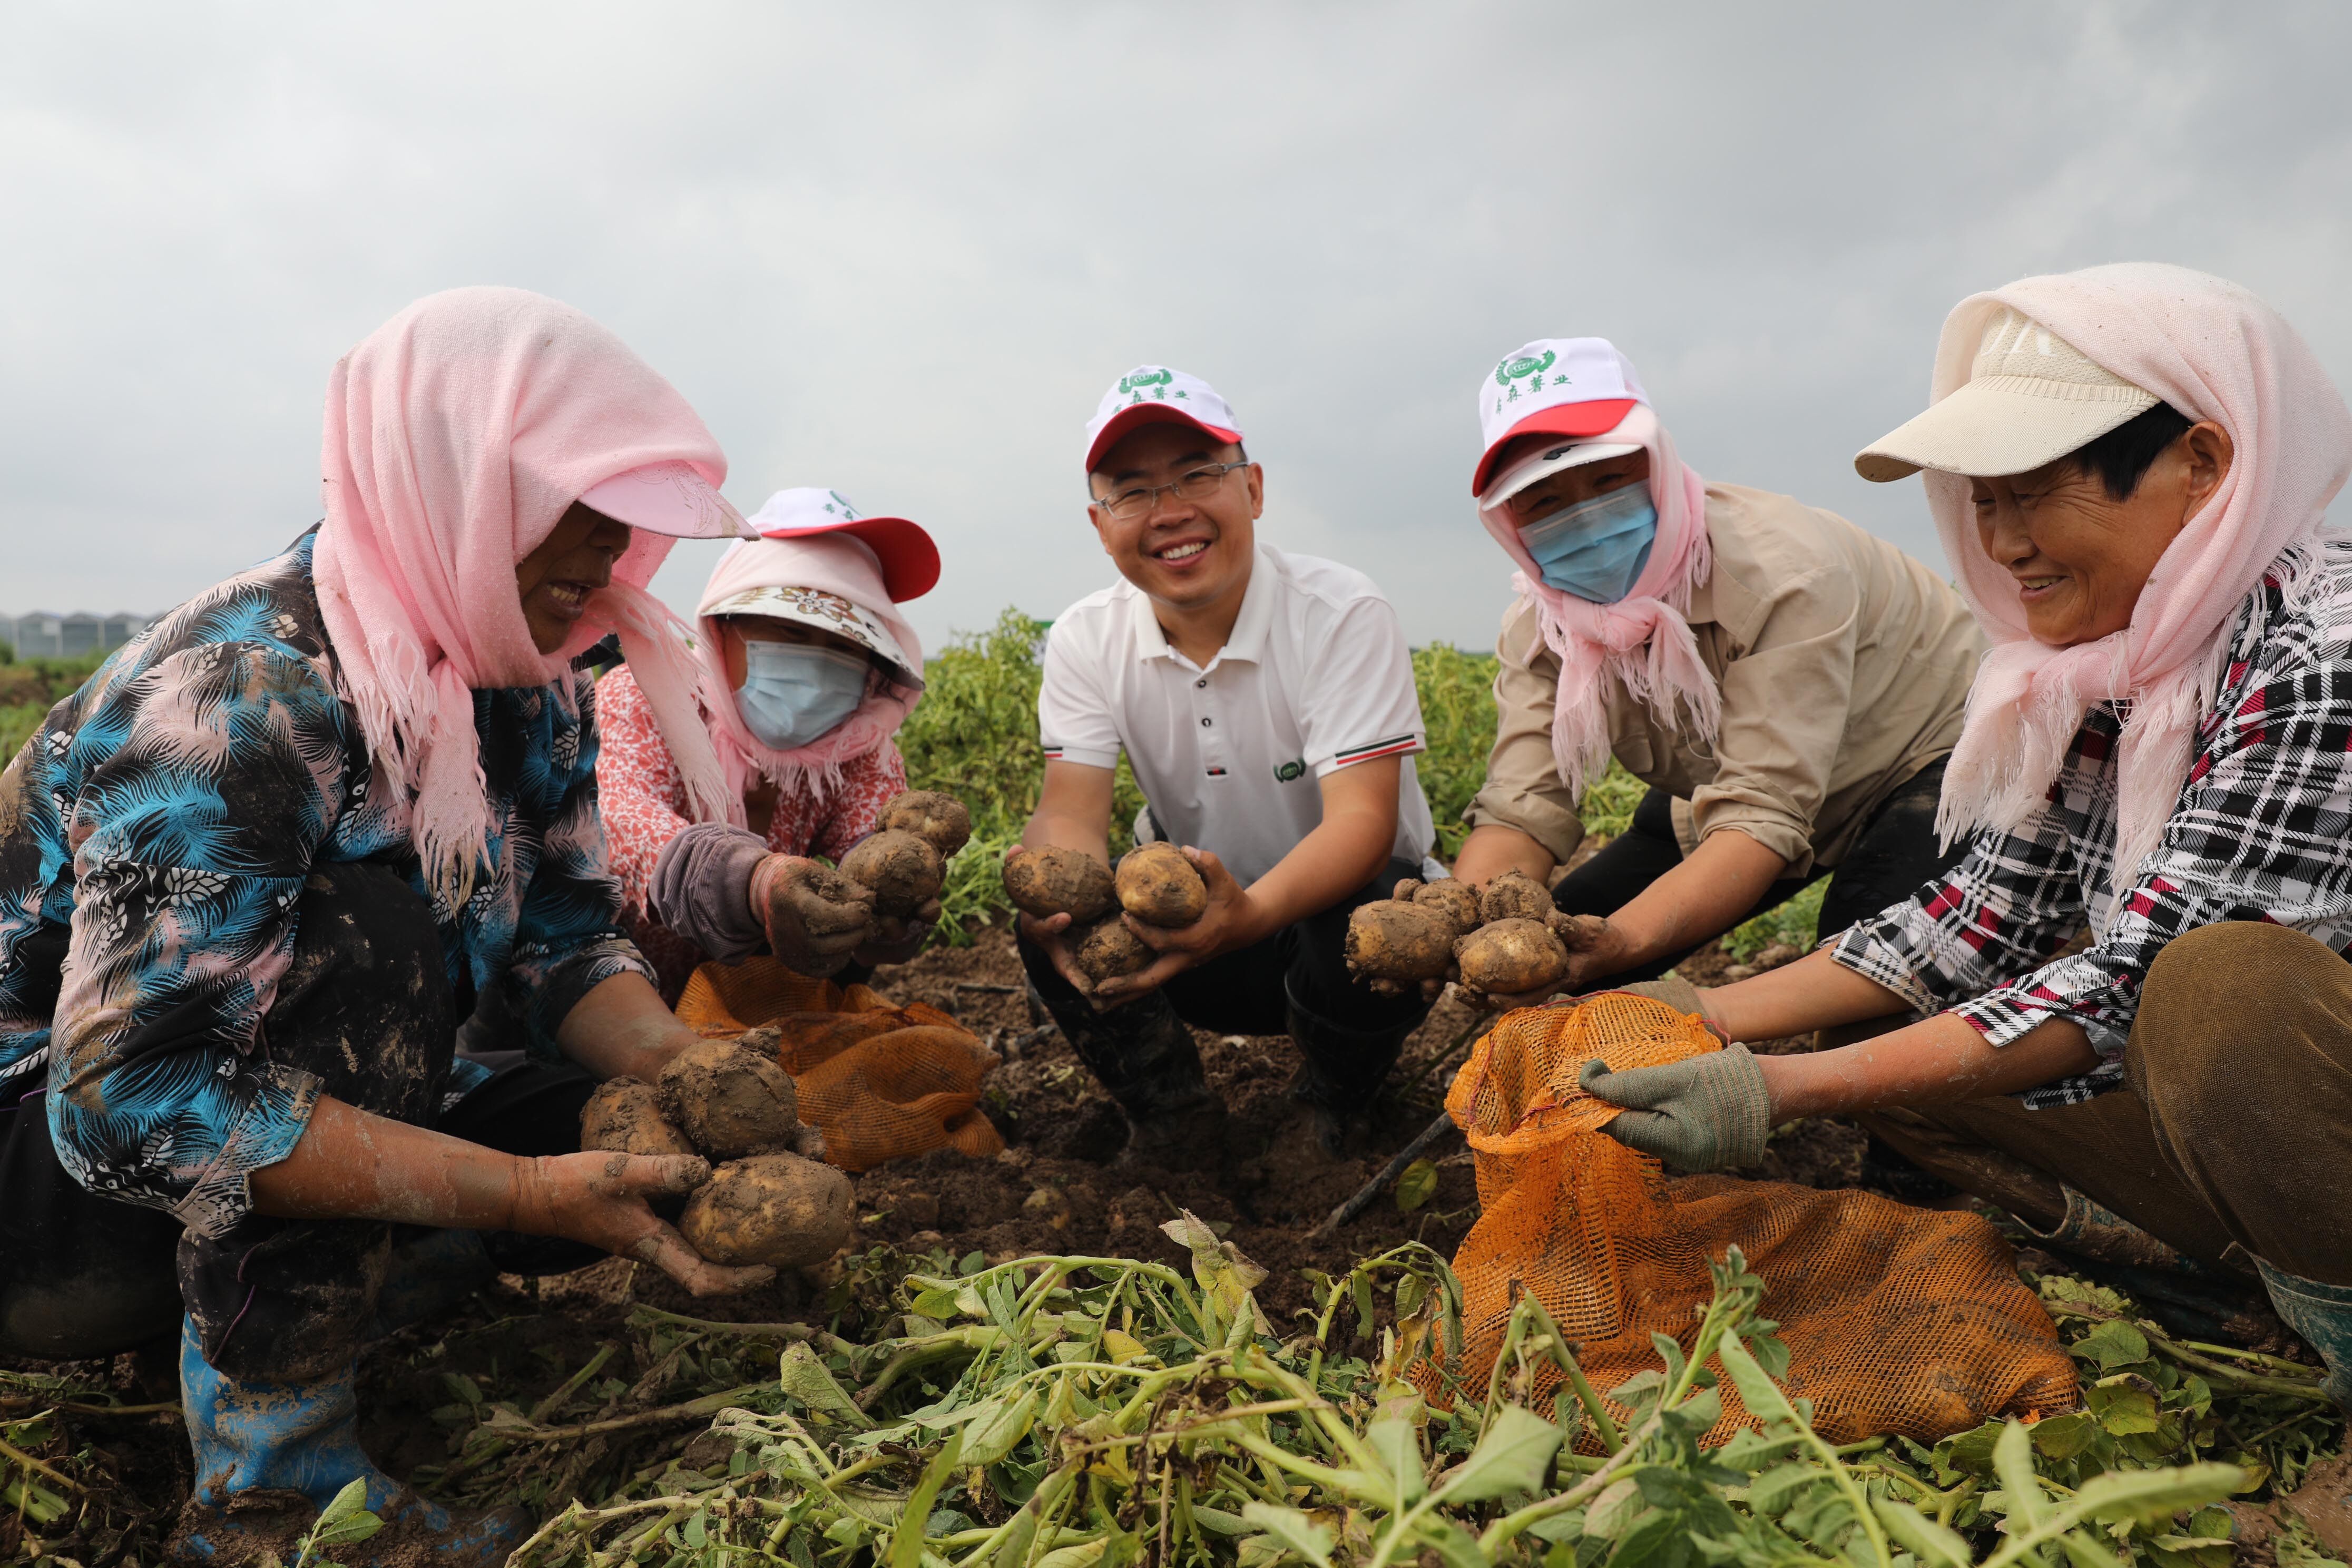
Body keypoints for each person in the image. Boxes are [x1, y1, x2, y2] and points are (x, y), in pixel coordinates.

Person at [0, 287, 778, 1561]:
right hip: (41, 1163)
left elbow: (564, 944)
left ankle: (240, 1321)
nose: (602, 552)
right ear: (452, 482)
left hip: (208, 1133)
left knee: (626, 1135)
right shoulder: (239, 700)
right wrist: (524, 1196)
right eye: (561, 507)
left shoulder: (526, 672)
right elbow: (132, 1098)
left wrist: (683, 1067)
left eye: (615, 515)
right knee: (373, 941)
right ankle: (277, 1495)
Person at [1570, 265, 2352, 1406]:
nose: (2005, 543)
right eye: (1983, 502)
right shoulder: (2107, 663)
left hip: (2299, 1087)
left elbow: (2127, 987)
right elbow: (1980, 917)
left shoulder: (2320, 655)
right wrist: (1708, 1018)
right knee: (1916, 1065)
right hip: (2275, 1139)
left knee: (2218, 991)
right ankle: (2259, 1279)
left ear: (2203, 464)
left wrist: (1780, 1092)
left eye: (2034, 493)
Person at [1447, 338, 1990, 1002]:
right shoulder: (1543, 631)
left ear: (1656, 464)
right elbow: (1523, 809)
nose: (1585, 516)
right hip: (1743, 783)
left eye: (1608, 477)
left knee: (1868, 976)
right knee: (1573, 935)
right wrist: (1462, 927)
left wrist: (1624, 942)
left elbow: (1762, 814)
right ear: (1508, 520)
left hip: (1927, 760)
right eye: (1543, 500)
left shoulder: (1781, 571)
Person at [1008, 366, 1437, 1162]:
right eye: (1133, 492)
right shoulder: (1085, 637)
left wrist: (1250, 914)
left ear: (1254, 490)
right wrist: (1048, 884)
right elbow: (1070, 809)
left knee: (1376, 913)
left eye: (1198, 476)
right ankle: (1171, 1116)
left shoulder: (1341, 613)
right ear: (1102, 527)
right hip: (1189, 934)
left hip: (1334, 939)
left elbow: (1364, 824)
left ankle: (1335, 1101)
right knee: (1052, 919)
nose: (1170, 513)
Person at [599, 488, 939, 1002]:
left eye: (846, 648)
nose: (818, 665)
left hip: (756, 1009)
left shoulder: (860, 749)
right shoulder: (647, 696)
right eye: (791, 631)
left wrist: (892, 917)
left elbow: (870, 850)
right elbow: (624, 824)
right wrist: (751, 882)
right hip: (609, 993)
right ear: (722, 629)